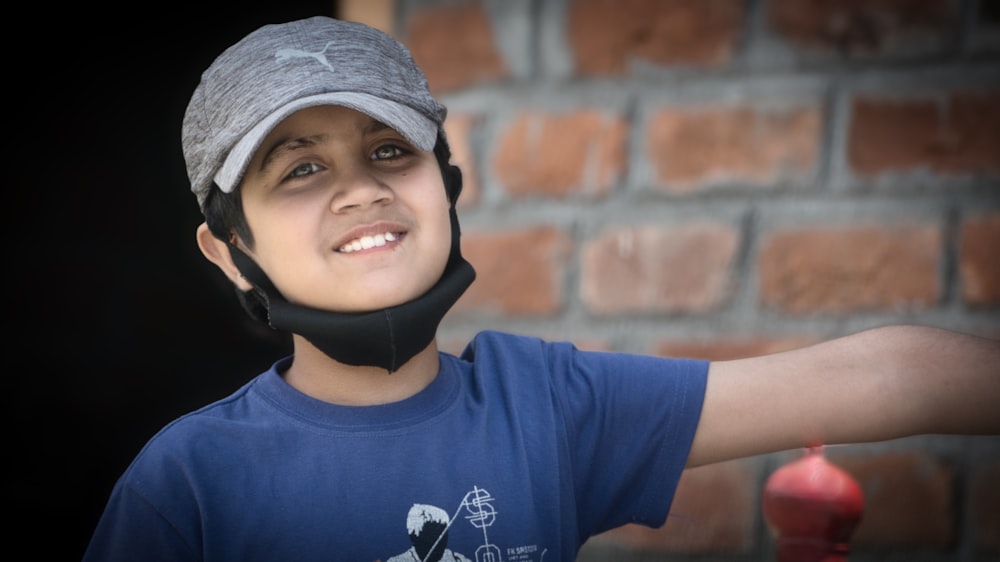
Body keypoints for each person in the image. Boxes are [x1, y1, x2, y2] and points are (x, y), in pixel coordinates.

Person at [83, 15, 999, 562]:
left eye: (390, 151)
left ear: (447, 186)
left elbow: (891, 377)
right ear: (228, 249)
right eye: (299, 171)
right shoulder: (188, 484)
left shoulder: (549, 408)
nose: (361, 187)